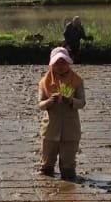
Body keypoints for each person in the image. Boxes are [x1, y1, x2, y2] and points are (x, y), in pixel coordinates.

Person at [37, 47, 86, 181]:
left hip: (70, 130)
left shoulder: (77, 81)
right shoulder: (44, 82)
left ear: (68, 63)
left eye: (63, 62)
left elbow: (82, 102)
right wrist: (49, 101)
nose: (60, 66)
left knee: (68, 167)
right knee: (46, 167)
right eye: (57, 63)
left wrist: (70, 100)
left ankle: (69, 190)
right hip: (50, 130)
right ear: (52, 64)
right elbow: (40, 104)